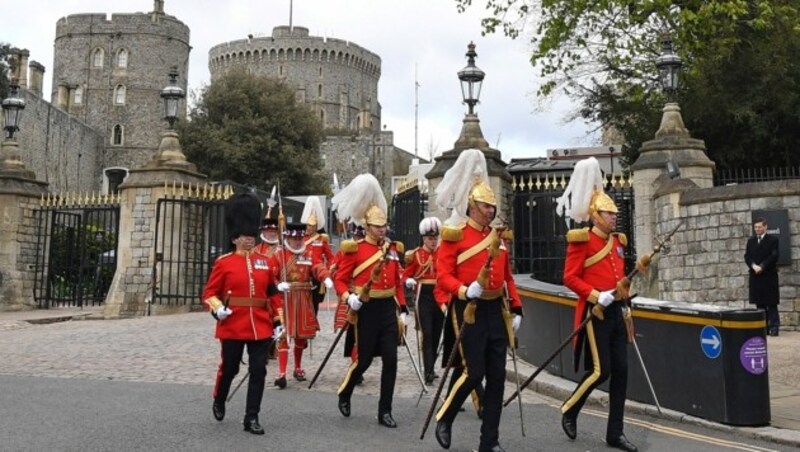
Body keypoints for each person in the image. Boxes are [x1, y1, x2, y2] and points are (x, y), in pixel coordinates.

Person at [433, 149, 523, 452]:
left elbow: (508, 277)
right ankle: (445, 416)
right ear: (472, 207)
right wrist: (462, 290)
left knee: (497, 378)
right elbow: (442, 275)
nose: (490, 210)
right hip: (468, 307)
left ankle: (490, 442)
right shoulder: (454, 235)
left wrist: (517, 306)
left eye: (492, 205)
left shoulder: (499, 238)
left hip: (495, 309)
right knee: (475, 372)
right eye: (485, 206)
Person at [555, 157, 638, 452]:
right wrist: (594, 295)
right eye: (608, 213)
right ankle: (570, 408)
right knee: (600, 371)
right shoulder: (581, 240)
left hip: (616, 311)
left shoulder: (618, 241)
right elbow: (569, 278)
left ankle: (615, 433)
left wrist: (625, 301)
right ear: (594, 215)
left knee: (622, 372)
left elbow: (618, 276)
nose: (614, 217)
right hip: (596, 311)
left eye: (614, 213)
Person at [331, 173, 410, 428]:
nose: (382, 230)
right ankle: (346, 391)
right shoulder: (354, 249)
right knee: (363, 360)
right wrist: (349, 297)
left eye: (384, 226)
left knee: (391, 359)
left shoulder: (393, 249)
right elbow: (341, 280)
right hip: (366, 308)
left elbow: (396, 281)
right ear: (367, 227)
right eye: (377, 227)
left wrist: (403, 307)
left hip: (387, 308)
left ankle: (384, 410)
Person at [202, 193, 284, 435]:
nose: (250, 239)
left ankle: (252, 417)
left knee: (259, 370)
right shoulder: (224, 262)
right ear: (235, 238)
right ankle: (219, 397)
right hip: (233, 324)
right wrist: (218, 309)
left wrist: (278, 320)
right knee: (230, 369)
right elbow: (209, 293)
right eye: (245, 236)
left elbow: (272, 293)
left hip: (260, 324)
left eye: (251, 235)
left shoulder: (265, 262)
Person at [271, 223, 333, 387]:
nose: (298, 241)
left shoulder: (309, 254)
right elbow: (271, 275)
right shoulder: (279, 255)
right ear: (287, 238)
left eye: (300, 238)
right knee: (283, 334)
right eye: (294, 238)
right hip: (285, 298)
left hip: (303, 297)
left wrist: (325, 276)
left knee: (301, 336)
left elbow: (318, 267)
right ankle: (282, 372)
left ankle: (297, 367)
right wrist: (277, 285)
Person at [403, 217, 445, 385]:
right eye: (430, 238)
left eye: (435, 238)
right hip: (424, 295)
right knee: (427, 333)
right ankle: (428, 370)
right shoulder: (416, 255)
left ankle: (431, 366)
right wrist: (408, 281)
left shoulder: (443, 253)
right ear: (423, 239)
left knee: (436, 334)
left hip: (440, 295)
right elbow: (405, 274)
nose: (433, 241)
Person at [745, 217, 780, 336]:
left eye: (759, 227)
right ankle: (763, 327)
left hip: (768, 275)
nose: (757, 229)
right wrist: (753, 266)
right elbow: (747, 256)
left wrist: (763, 266)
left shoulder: (773, 240)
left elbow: (774, 256)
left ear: (765, 227)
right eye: (755, 227)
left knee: (771, 303)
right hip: (756, 276)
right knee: (760, 304)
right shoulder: (751, 241)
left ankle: (774, 327)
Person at [302, 196, 334, 315]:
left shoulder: (322, 239)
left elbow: (330, 257)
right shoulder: (301, 238)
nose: (310, 228)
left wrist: (330, 269)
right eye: (309, 225)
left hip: (317, 274)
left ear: (316, 226)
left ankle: (313, 322)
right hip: (303, 272)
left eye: (313, 226)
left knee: (315, 301)